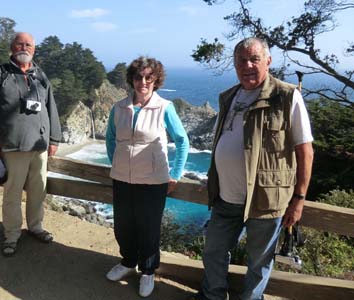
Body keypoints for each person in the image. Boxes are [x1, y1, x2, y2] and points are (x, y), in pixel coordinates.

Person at [191, 37, 314, 300]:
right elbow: (221, 142)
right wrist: (212, 177)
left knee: (258, 262)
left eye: (254, 59)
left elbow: (306, 151)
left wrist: (299, 199)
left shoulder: (287, 96)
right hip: (225, 197)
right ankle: (212, 296)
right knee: (213, 250)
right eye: (241, 61)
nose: (247, 65)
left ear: (268, 61)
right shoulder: (229, 97)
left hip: (265, 201)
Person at [105, 56, 189, 297]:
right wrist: (117, 162)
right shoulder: (119, 107)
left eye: (149, 78)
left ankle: (148, 271)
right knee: (123, 225)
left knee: (149, 227)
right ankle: (128, 262)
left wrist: (175, 174)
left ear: (156, 81)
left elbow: (183, 141)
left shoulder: (164, 107)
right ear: (132, 79)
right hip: (122, 177)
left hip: (153, 181)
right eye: (138, 77)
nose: (143, 82)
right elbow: (111, 139)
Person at [0, 32, 62, 257]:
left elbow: (50, 108)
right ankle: (12, 235)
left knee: (38, 191)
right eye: (20, 44)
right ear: (12, 47)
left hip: (39, 146)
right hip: (12, 146)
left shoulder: (40, 75)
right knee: (12, 194)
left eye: (28, 45)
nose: (24, 48)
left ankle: (36, 227)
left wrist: (54, 138)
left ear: (34, 49)